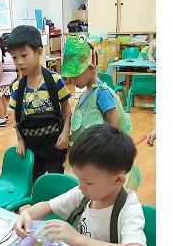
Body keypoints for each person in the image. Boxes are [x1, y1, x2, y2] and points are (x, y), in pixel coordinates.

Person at [13, 124, 150, 246]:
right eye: (79, 179)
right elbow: (48, 206)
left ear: (117, 180)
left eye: (88, 182)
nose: (80, 186)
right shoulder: (84, 194)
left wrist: (78, 239)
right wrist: (27, 214)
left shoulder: (129, 209)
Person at [61, 33, 142, 190]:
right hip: (85, 154)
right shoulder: (85, 92)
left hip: (97, 156)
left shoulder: (102, 93)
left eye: (75, 76)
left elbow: (115, 126)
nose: (72, 81)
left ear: (90, 68)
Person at [7, 25, 72, 184]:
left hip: (55, 143)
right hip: (31, 146)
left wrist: (65, 133)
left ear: (38, 52)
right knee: (35, 182)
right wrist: (20, 140)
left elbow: (66, 108)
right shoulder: (17, 87)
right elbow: (17, 117)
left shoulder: (54, 80)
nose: (20, 62)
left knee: (56, 182)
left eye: (24, 55)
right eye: (14, 57)